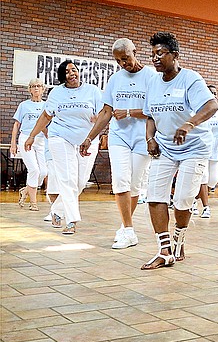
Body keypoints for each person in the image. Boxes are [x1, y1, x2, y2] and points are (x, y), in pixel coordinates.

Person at [141, 32, 218, 270]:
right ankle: (164, 250)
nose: (155, 58)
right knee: (155, 195)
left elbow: (211, 105)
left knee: (184, 199)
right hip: (165, 146)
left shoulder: (190, 79)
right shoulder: (153, 82)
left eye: (160, 53)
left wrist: (189, 124)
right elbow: (150, 116)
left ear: (175, 55)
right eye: (152, 54)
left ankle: (179, 239)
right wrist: (149, 138)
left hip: (194, 148)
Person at [80, 38, 155, 248]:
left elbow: (156, 110)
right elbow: (106, 112)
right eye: (118, 61)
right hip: (119, 137)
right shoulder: (115, 79)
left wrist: (131, 112)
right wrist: (89, 138)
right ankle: (129, 230)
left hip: (143, 137)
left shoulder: (151, 76)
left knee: (134, 185)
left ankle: (125, 227)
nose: (123, 64)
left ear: (134, 52)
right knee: (120, 181)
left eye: (125, 58)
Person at [25, 60, 103, 234]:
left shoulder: (93, 91)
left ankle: (56, 210)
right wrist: (31, 136)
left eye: (74, 70)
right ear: (62, 76)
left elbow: (102, 116)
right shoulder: (56, 93)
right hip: (60, 137)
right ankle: (72, 220)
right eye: (67, 72)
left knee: (80, 182)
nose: (72, 73)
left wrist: (95, 128)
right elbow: (46, 116)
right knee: (68, 179)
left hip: (87, 139)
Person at [11, 79, 47, 211]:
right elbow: (16, 125)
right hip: (26, 139)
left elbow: (49, 124)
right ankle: (33, 203)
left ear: (43, 89)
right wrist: (13, 143)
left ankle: (26, 190)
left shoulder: (47, 105)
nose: (36, 88)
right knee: (34, 170)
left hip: (41, 140)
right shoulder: (23, 105)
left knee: (43, 172)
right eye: (33, 86)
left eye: (38, 86)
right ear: (30, 90)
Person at [195, 84, 218, 218]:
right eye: (211, 92)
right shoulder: (199, 109)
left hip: (215, 150)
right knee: (203, 178)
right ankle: (205, 207)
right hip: (201, 149)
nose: (214, 95)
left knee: (213, 180)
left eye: (215, 92)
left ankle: (192, 199)